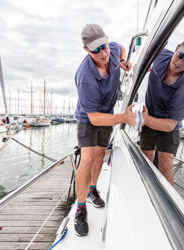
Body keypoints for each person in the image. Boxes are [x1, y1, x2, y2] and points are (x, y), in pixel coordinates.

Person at [74, 23, 136, 237]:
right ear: (86, 50)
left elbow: (121, 46)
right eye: (96, 49)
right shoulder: (85, 77)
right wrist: (124, 117)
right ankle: (80, 209)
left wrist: (122, 61)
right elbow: (94, 118)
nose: (103, 52)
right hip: (88, 117)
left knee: (101, 156)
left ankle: (92, 190)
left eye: (104, 46)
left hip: (107, 114)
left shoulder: (113, 48)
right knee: (88, 159)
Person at [140, 36, 184, 185]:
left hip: (168, 125)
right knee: (145, 159)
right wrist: (142, 68)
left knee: (166, 165)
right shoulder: (161, 54)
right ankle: (143, 187)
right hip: (149, 118)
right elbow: (146, 58)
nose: (180, 62)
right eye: (181, 56)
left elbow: (170, 125)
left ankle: (167, 200)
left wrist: (144, 119)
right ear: (176, 48)